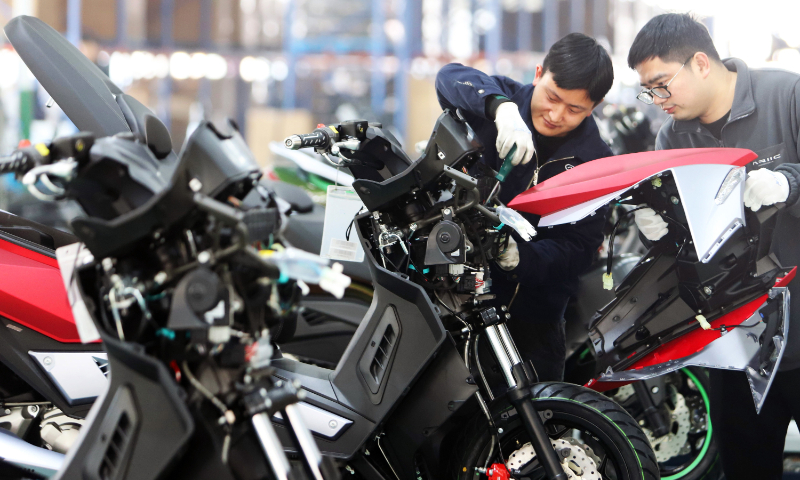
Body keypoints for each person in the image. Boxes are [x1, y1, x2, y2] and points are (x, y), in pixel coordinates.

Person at [628, 13, 800, 480]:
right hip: (734, 344)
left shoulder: (788, 96)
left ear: (701, 63)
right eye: (648, 90)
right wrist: (657, 229)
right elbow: (689, 247)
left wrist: (788, 183)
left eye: (661, 84)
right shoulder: (672, 138)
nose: (656, 100)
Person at [435, 33, 614, 381]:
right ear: (538, 74)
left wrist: (523, 258)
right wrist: (500, 109)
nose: (557, 114)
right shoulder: (496, 100)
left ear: (595, 106)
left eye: (575, 109)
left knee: (534, 424)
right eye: (552, 97)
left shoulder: (595, 163)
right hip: (450, 301)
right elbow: (448, 77)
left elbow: (580, 247)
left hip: (532, 323)